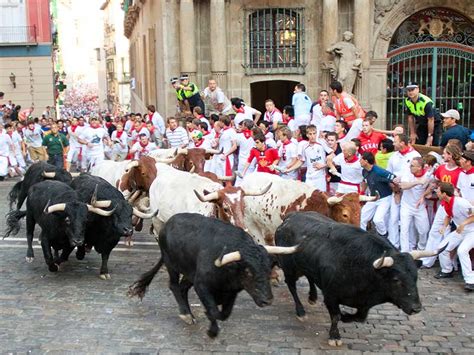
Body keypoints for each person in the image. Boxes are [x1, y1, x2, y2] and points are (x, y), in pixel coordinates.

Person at [421, 144, 463, 268]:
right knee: (435, 231)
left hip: (455, 206)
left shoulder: (460, 172)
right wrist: (425, 194)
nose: (443, 155)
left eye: (445, 153)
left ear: (450, 155)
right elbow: (434, 183)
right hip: (443, 205)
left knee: (449, 233)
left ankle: (450, 264)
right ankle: (428, 260)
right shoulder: (441, 168)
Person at [434, 182, 474, 292]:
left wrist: (463, 223)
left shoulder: (461, 203)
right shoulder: (445, 202)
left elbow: (473, 215)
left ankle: (470, 280)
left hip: (471, 231)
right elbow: (448, 215)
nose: (436, 192)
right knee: (442, 247)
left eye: (438, 190)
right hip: (460, 231)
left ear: (444, 193)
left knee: (462, 251)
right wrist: (444, 226)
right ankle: (447, 270)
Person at [386, 134, 421, 249]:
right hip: (395, 190)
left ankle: (411, 247)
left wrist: (402, 187)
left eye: (395, 141)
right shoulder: (393, 156)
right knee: (393, 218)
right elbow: (388, 174)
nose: (393, 144)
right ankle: (393, 245)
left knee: (408, 222)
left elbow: (417, 175)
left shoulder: (415, 155)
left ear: (402, 143)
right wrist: (395, 189)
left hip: (410, 193)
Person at [285, 125, 333, 191]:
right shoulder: (304, 146)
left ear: (317, 133)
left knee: (321, 199)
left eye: (314, 133)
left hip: (320, 178)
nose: (313, 136)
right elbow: (301, 161)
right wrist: (289, 169)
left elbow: (332, 155)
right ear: (307, 135)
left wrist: (324, 165)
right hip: (309, 178)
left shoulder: (322, 143)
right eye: (310, 134)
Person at [359, 151, 396, 237]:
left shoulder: (380, 172)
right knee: (362, 217)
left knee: (377, 220)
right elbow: (365, 181)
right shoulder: (364, 171)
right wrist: (362, 193)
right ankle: (362, 238)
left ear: (366, 161)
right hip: (372, 198)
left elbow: (394, 178)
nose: (359, 161)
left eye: (361, 159)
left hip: (384, 198)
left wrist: (396, 190)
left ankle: (384, 235)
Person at [398, 157, 430, 252]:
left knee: (424, 230)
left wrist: (424, 195)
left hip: (419, 207)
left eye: (412, 165)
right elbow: (403, 186)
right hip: (406, 206)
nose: (410, 167)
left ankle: (421, 249)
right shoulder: (407, 173)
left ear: (420, 167)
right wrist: (417, 182)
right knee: (404, 229)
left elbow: (432, 186)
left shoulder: (428, 175)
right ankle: (405, 252)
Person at [404, 82, 442, 146]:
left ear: (418, 89)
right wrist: (412, 133)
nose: (410, 92)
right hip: (422, 124)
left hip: (434, 124)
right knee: (418, 142)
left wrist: (430, 136)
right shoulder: (407, 101)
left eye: (412, 90)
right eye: (408, 90)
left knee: (432, 144)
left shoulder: (426, 102)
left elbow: (431, 120)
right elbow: (410, 117)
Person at [235, 120, 255, 185]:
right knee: (249, 178)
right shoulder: (255, 136)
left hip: (242, 160)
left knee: (239, 178)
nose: (241, 126)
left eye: (243, 125)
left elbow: (236, 144)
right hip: (251, 160)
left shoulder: (239, 136)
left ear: (245, 127)